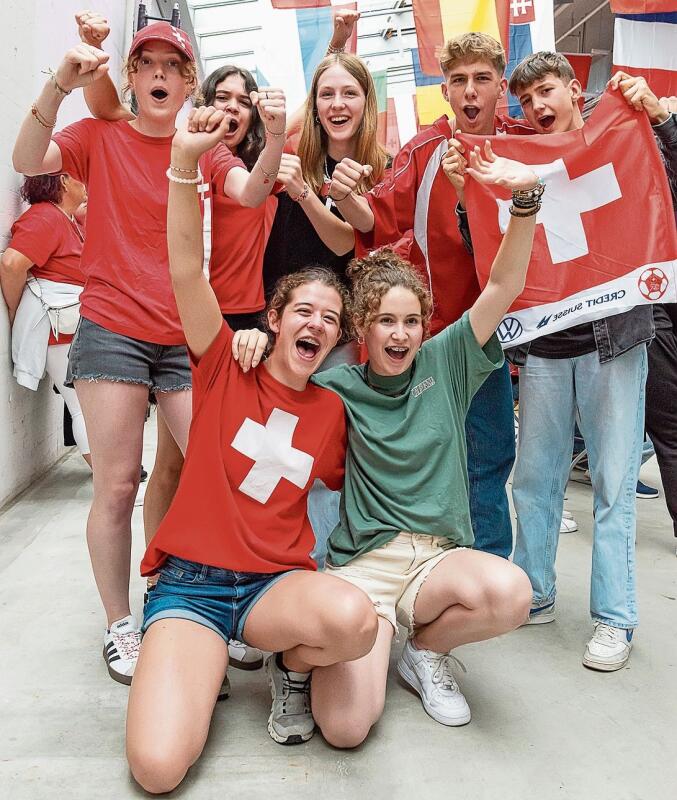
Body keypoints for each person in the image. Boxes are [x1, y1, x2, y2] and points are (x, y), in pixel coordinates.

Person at [11, 16, 285, 685]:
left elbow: (249, 191)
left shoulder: (200, 142)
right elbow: (26, 159)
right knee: (116, 485)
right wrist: (58, 83)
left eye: (172, 66)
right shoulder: (99, 135)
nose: (159, 75)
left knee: (215, 469)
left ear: (189, 81)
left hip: (187, 332)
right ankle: (119, 624)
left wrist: (273, 138)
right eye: (147, 65)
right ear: (131, 77)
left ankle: (203, 600)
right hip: (111, 327)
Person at [125, 105, 378, 794]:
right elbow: (184, 269)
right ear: (272, 319)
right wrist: (183, 165)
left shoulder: (331, 410)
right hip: (192, 588)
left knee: (355, 622)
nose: (316, 324)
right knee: (156, 769)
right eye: (302, 310)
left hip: (275, 587)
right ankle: (194, 665)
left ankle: (289, 665)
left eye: (329, 319)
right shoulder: (223, 364)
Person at [276, 142, 538, 745]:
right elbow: (279, 376)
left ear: (426, 325)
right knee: (344, 729)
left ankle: (425, 650)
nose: (400, 334)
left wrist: (525, 199)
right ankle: (367, 638)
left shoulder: (446, 361)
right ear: (362, 331)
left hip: (436, 561)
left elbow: (503, 285)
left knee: (511, 592)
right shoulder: (337, 383)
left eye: (411, 321)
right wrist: (250, 345)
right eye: (385, 322)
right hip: (364, 570)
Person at [328, 32, 533, 559]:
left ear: (501, 87)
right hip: (437, 338)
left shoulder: (525, 144)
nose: (470, 91)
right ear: (445, 88)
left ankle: (487, 567)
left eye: (482, 79)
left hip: (503, 332)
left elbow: (579, 151)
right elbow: (373, 220)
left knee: (490, 458)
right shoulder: (424, 149)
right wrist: (344, 194)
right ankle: (435, 565)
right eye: (459, 80)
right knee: (438, 460)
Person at [506, 52, 655, 672]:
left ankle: (615, 620)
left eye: (547, 92)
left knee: (615, 482)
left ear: (573, 89)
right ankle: (533, 593)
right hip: (546, 347)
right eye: (526, 102)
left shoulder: (622, 139)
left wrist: (661, 116)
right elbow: (491, 237)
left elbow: (664, 179)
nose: (538, 108)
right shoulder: (517, 162)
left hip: (614, 340)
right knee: (535, 480)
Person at [263, 45, 389, 368]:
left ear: (366, 102)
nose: (337, 104)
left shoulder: (382, 169)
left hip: (344, 332)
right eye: (326, 95)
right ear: (314, 106)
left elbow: (347, 242)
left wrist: (304, 192)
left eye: (349, 93)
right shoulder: (292, 156)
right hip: (283, 322)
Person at [1, 173, 91, 466]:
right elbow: (12, 263)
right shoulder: (45, 217)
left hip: (70, 320)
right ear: (64, 180)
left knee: (89, 405)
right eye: (82, 176)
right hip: (59, 321)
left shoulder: (63, 218)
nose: (87, 184)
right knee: (83, 406)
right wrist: (15, 310)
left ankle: (111, 479)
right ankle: (108, 481)